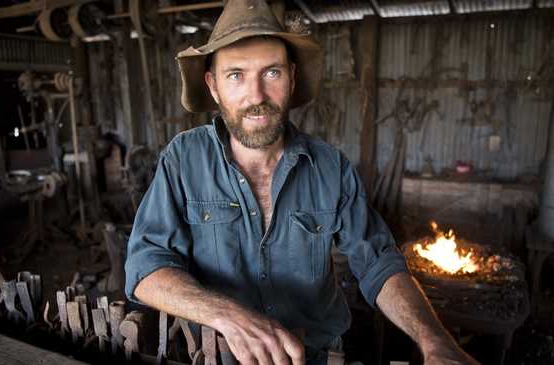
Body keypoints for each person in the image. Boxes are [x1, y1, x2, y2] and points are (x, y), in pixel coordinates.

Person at [125, 0, 479, 364]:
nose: (256, 96)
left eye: (272, 73)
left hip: (317, 354)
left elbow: (378, 264)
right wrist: (230, 316)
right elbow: (145, 269)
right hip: (219, 356)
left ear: (292, 78)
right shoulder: (184, 159)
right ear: (212, 86)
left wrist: (434, 340)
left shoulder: (330, 167)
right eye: (236, 75)